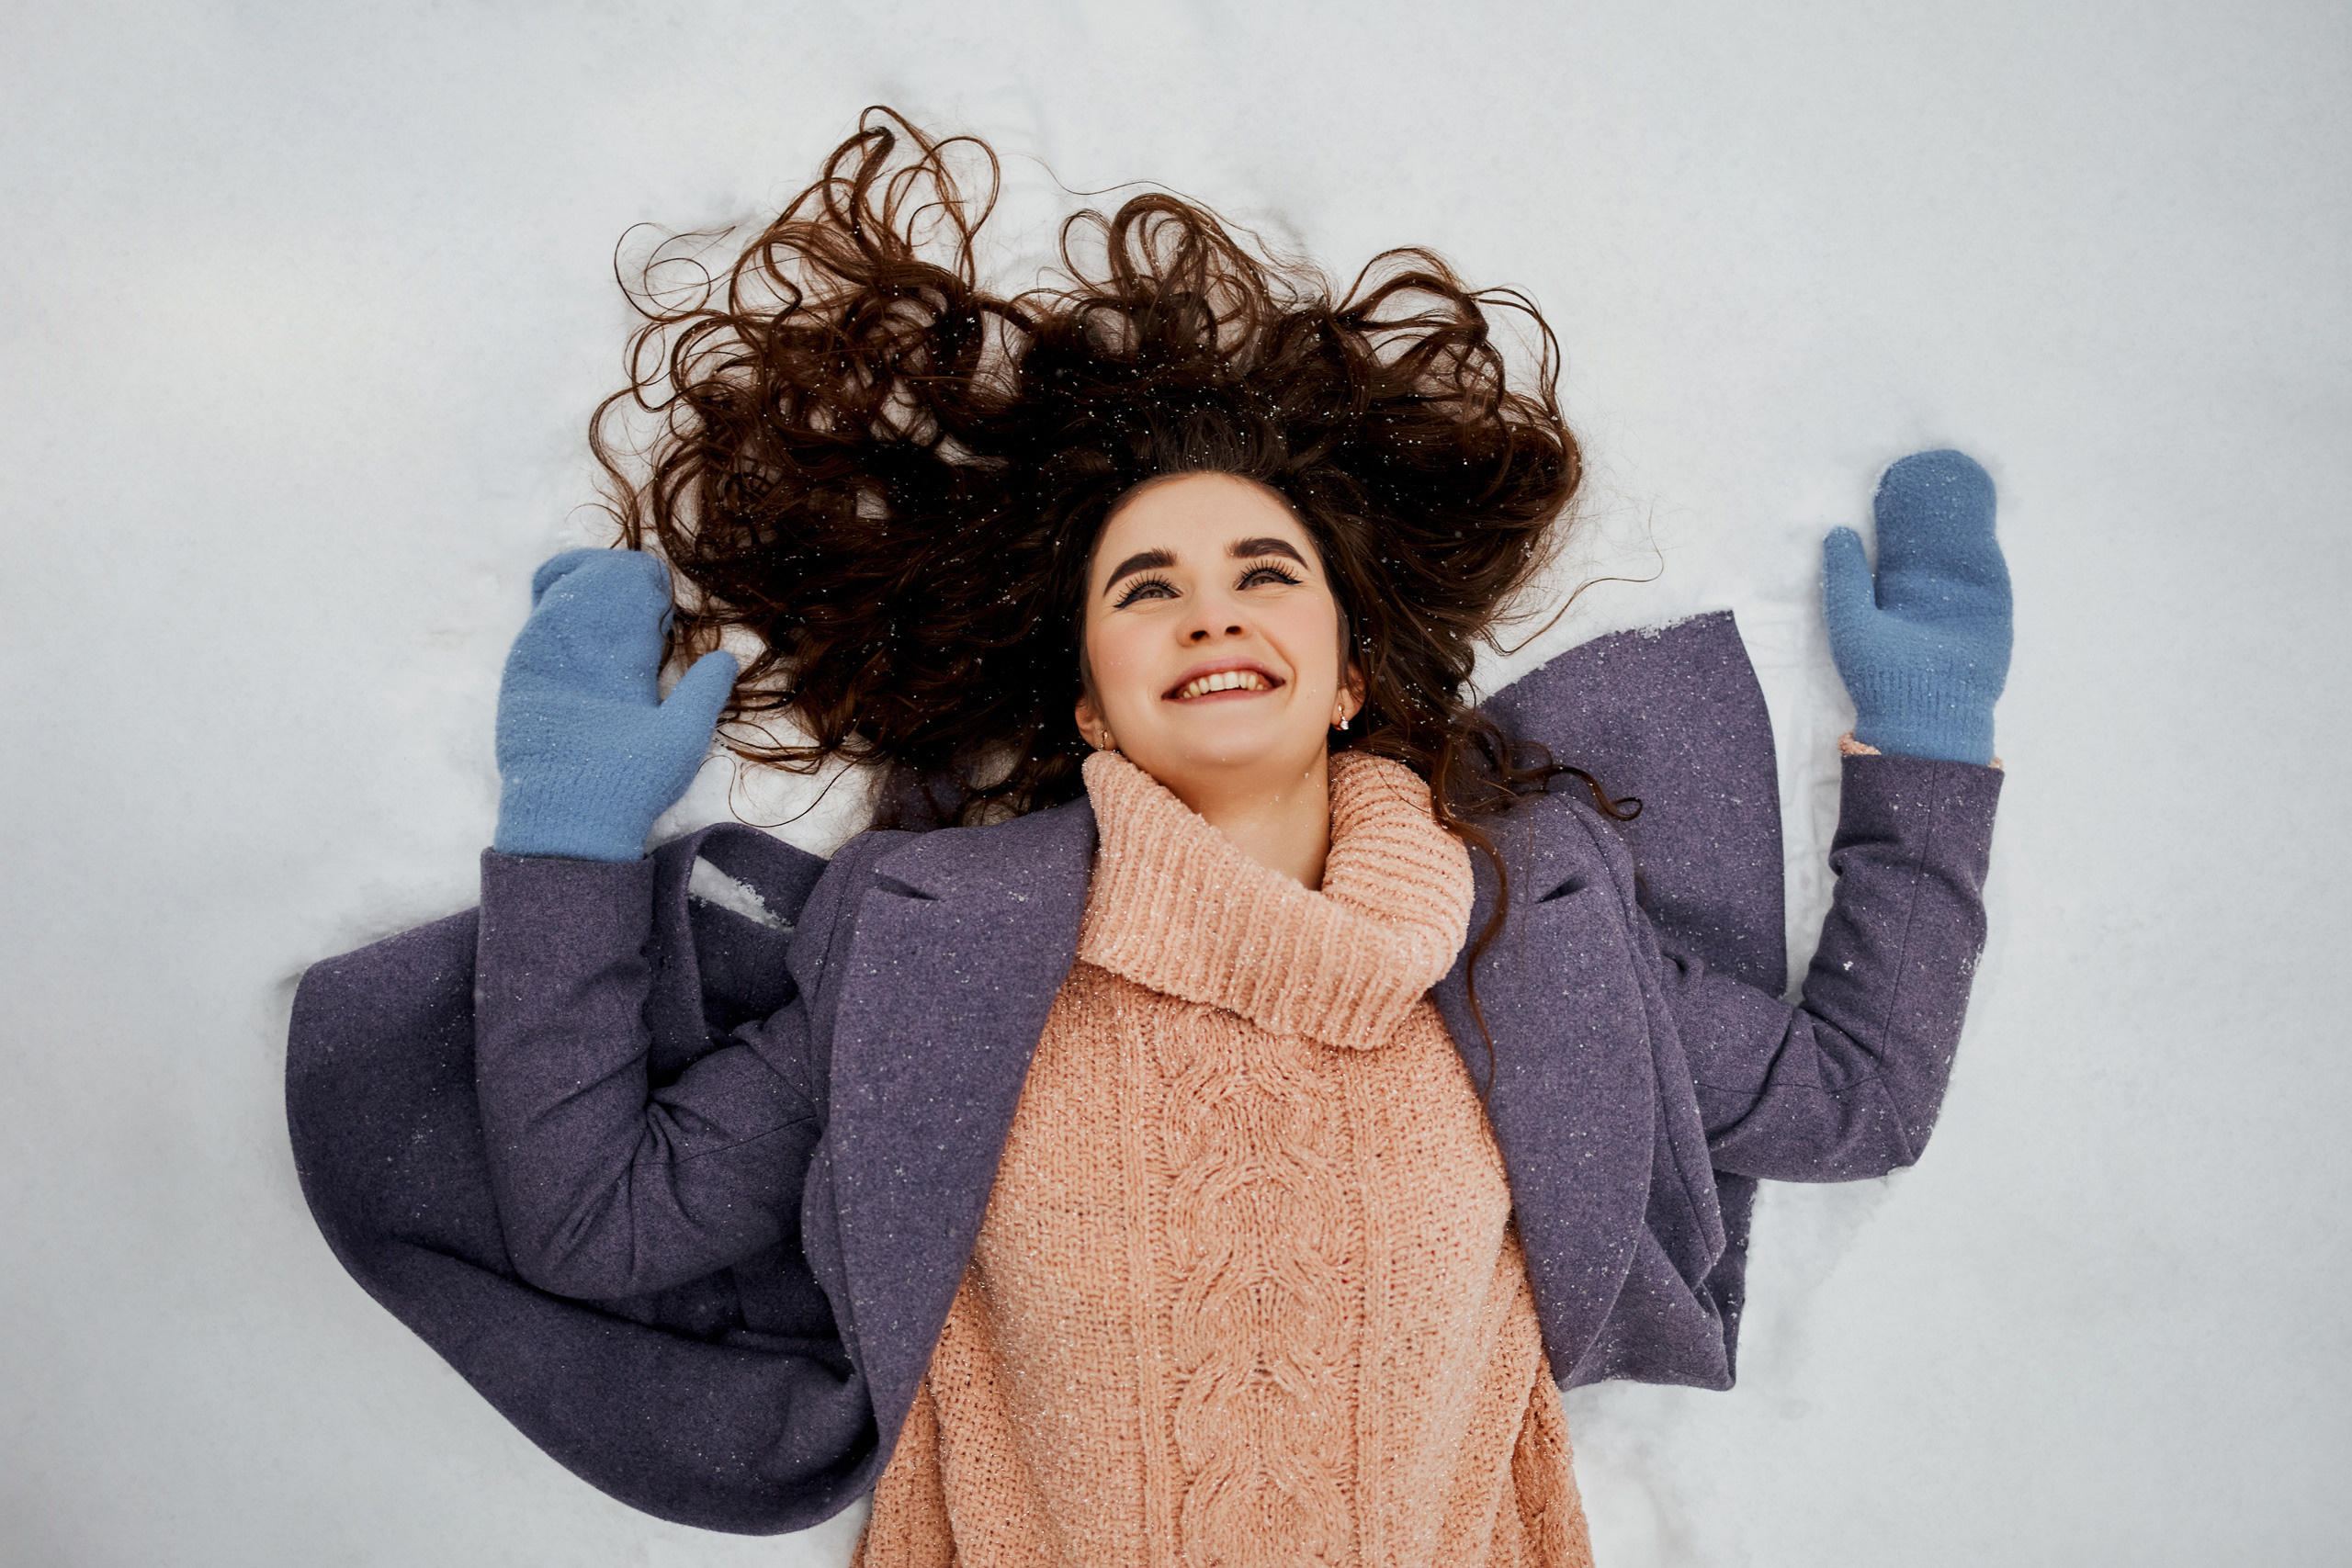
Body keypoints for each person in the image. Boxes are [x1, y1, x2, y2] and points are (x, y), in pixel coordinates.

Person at [288, 111, 2010, 1565]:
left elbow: (1858, 1103)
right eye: (1147, 589)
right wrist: (572, 837)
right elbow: (608, 1220)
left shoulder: (1533, 941)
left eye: (1268, 573)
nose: (1214, 612)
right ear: (1094, 708)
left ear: (1346, 677)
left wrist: (1924, 742)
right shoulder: (937, 959)